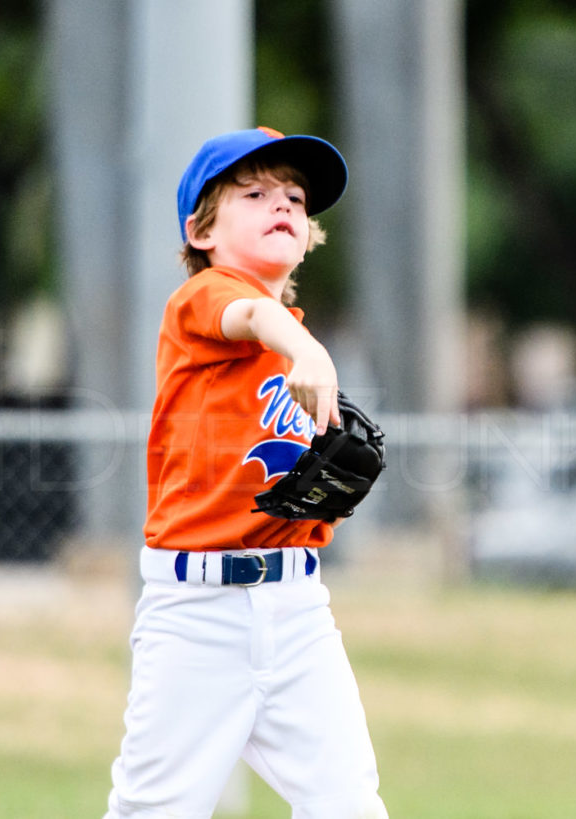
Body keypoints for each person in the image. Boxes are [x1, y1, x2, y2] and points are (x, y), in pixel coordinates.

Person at [102, 126, 388, 819]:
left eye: (295, 196)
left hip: (296, 611)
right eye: (254, 192)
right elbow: (252, 314)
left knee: (349, 805)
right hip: (197, 615)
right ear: (201, 229)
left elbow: (287, 493)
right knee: (154, 810)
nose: (283, 204)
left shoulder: (293, 347)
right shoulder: (201, 303)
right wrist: (303, 346)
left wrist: (326, 506)